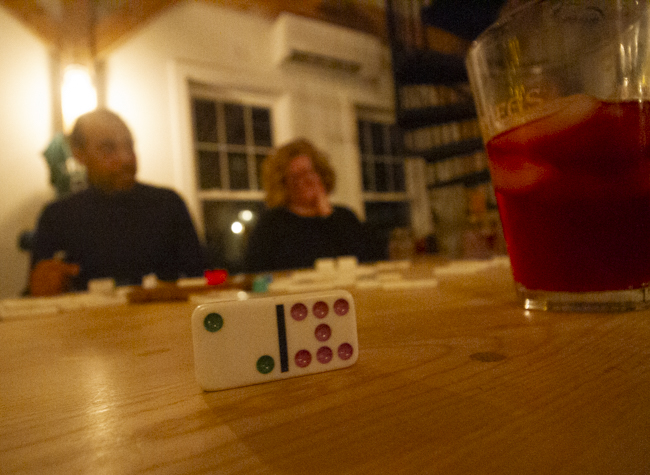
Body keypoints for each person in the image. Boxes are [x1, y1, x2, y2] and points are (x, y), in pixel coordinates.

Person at [29, 109, 207, 296]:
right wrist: (42, 288)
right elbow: (35, 294)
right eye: (108, 149)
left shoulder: (168, 204)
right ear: (79, 155)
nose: (126, 158)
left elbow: (203, 276)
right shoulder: (57, 217)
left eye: (129, 146)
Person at [245, 138, 369, 273]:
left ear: (321, 174)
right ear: (284, 183)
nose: (304, 181)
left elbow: (365, 260)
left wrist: (328, 215)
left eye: (309, 172)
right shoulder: (271, 224)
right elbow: (255, 271)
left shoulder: (345, 217)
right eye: (295, 177)